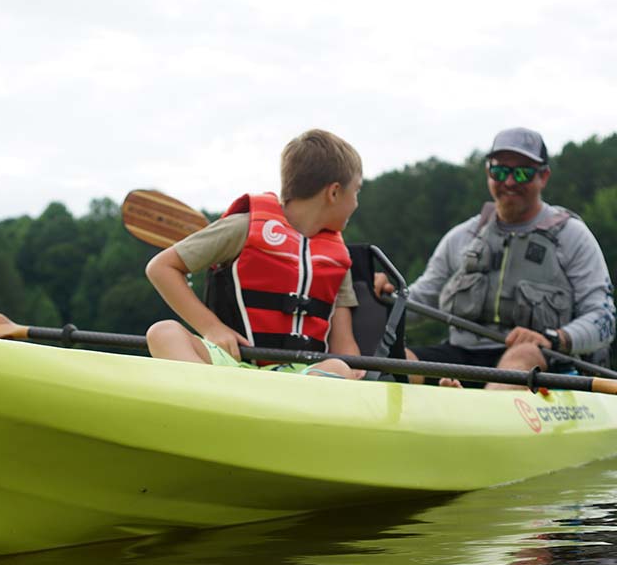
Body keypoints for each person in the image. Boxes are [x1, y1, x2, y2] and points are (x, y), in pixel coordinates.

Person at [375, 127, 616, 384]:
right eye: (500, 171)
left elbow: (604, 318)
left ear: (543, 177)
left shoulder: (572, 236)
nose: (510, 182)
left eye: (522, 172)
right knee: (398, 361)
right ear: (488, 172)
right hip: (460, 355)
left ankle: (481, 413)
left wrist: (555, 338)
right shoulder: (460, 237)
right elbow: (419, 300)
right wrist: (381, 296)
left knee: (522, 355)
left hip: (542, 362)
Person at [145, 129, 364, 379]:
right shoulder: (242, 228)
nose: (357, 202)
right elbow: (161, 267)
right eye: (356, 191)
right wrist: (212, 328)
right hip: (231, 364)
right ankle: (216, 396)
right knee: (163, 332)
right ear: (334, 192)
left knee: (339, 367)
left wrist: (354, 368)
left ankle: (271, 403)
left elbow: (344, 343)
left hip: (302, 374)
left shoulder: (338, 259)